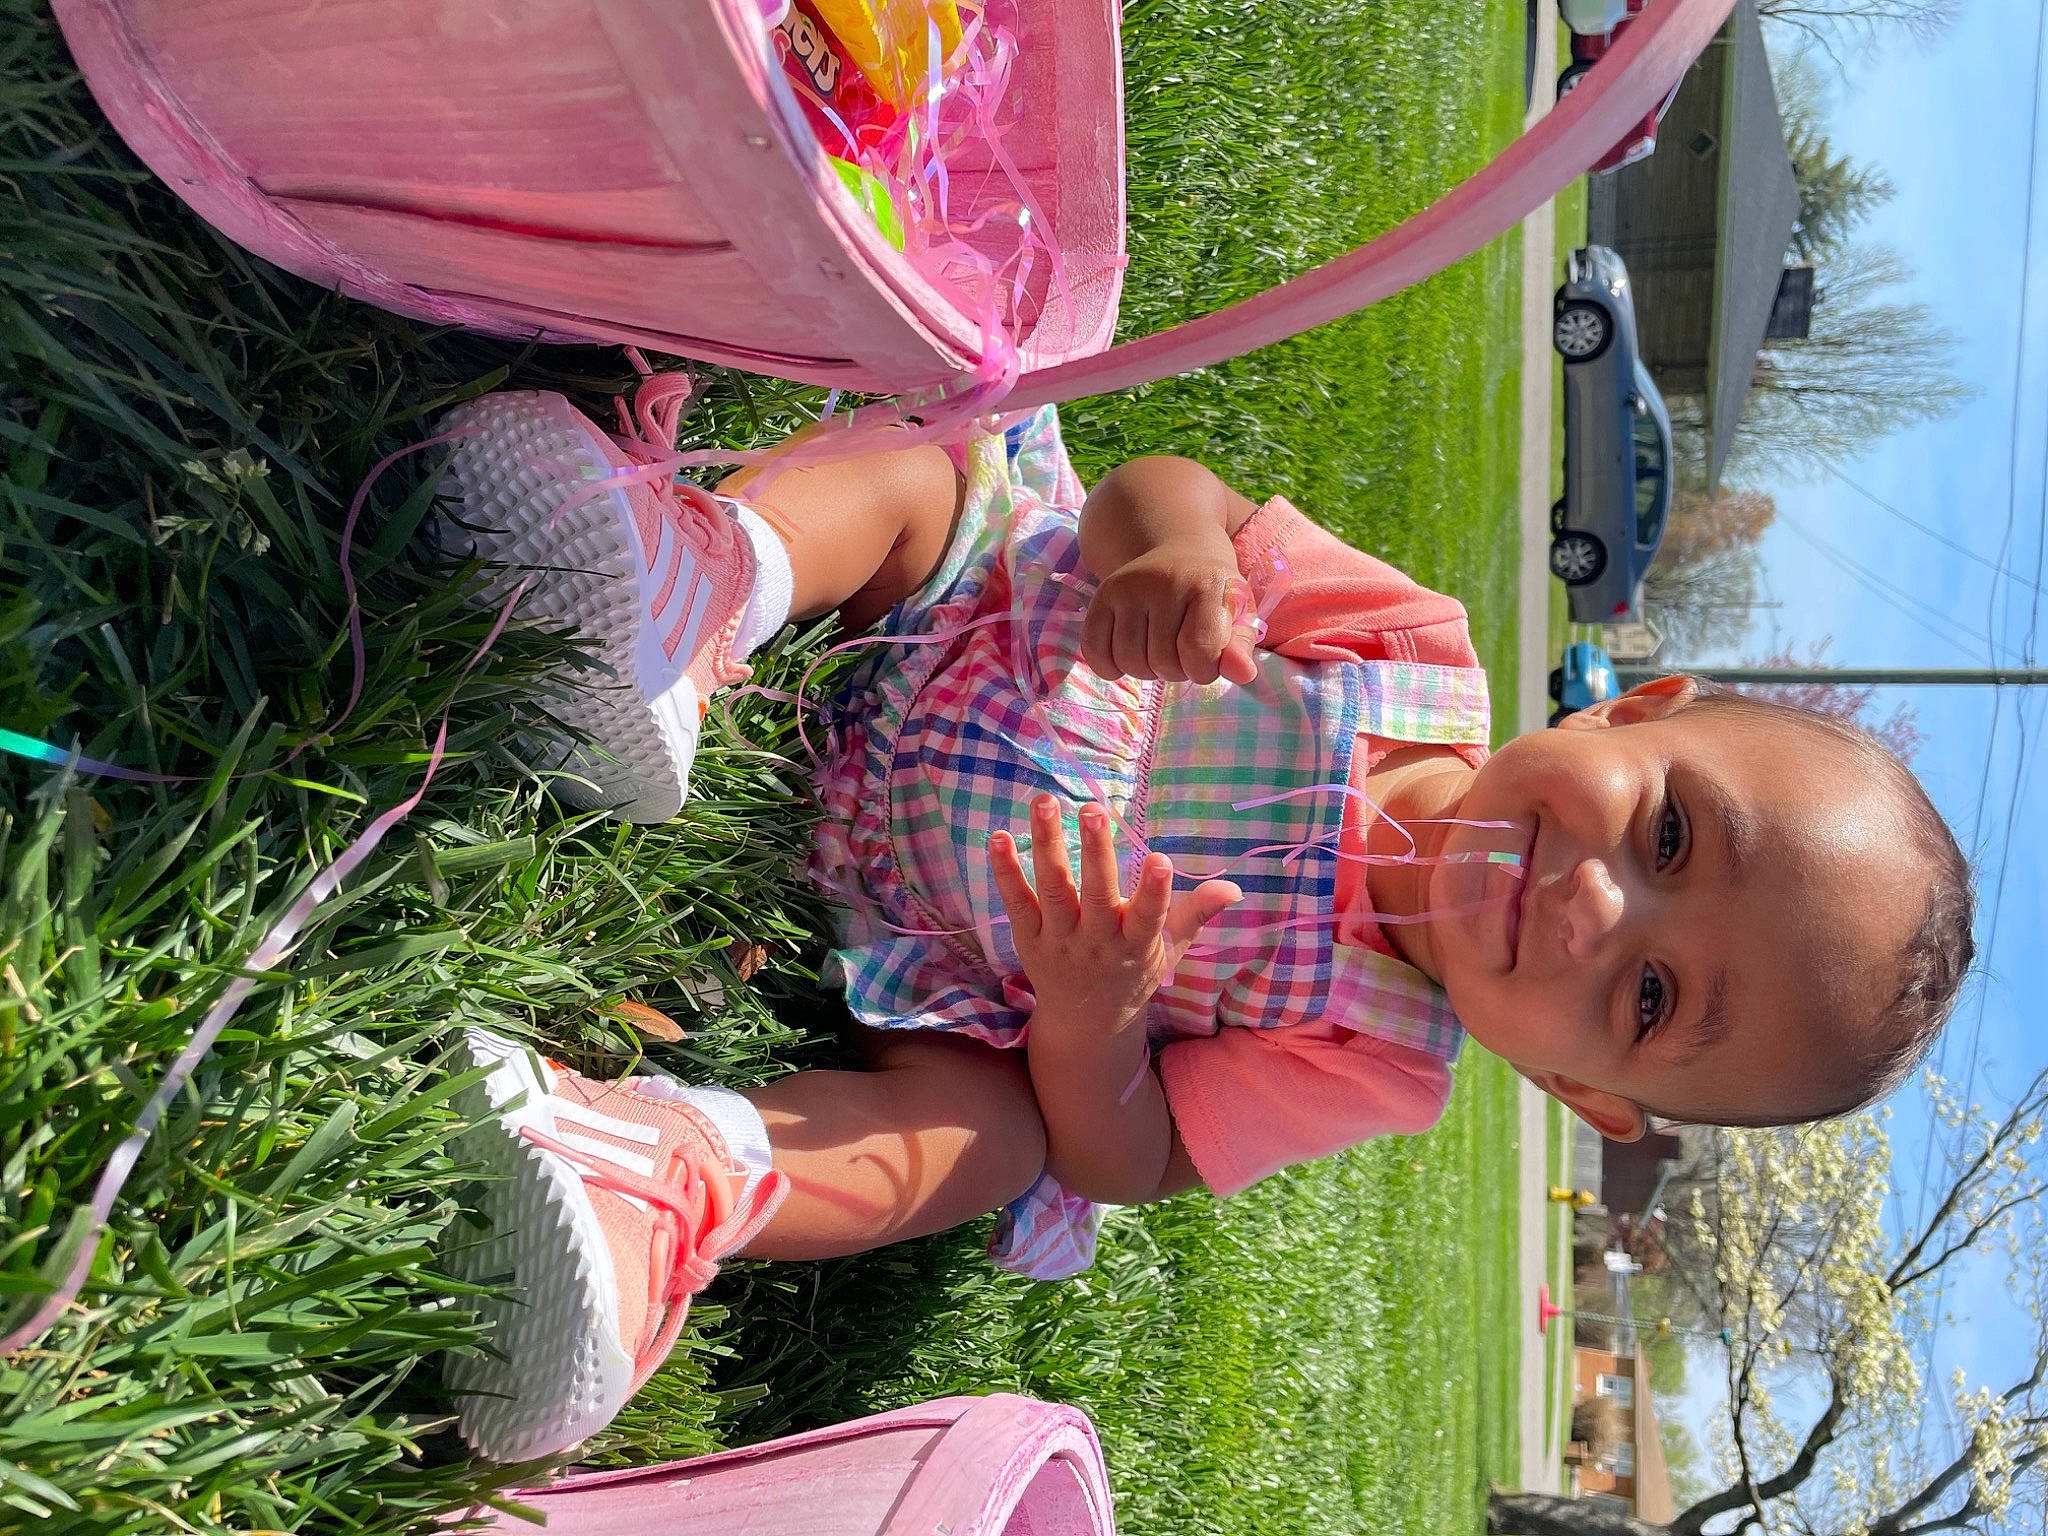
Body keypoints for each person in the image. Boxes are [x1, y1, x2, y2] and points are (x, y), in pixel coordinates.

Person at [430, 388, 1974, 1464]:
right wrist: (1166, 555)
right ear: (1637, 705)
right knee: (935, 480)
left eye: (1648, 998)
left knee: (1003, 1146)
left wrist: (1094, 1015)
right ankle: (687, 594)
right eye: (1672, 832)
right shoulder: (1408, 647)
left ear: (1578, 1092)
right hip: (945, 629)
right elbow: (1149, 489)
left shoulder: (1377, 1052)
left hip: (951, 952)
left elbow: (1128, 1159)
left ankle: (667, 1180)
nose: (1592, 902)